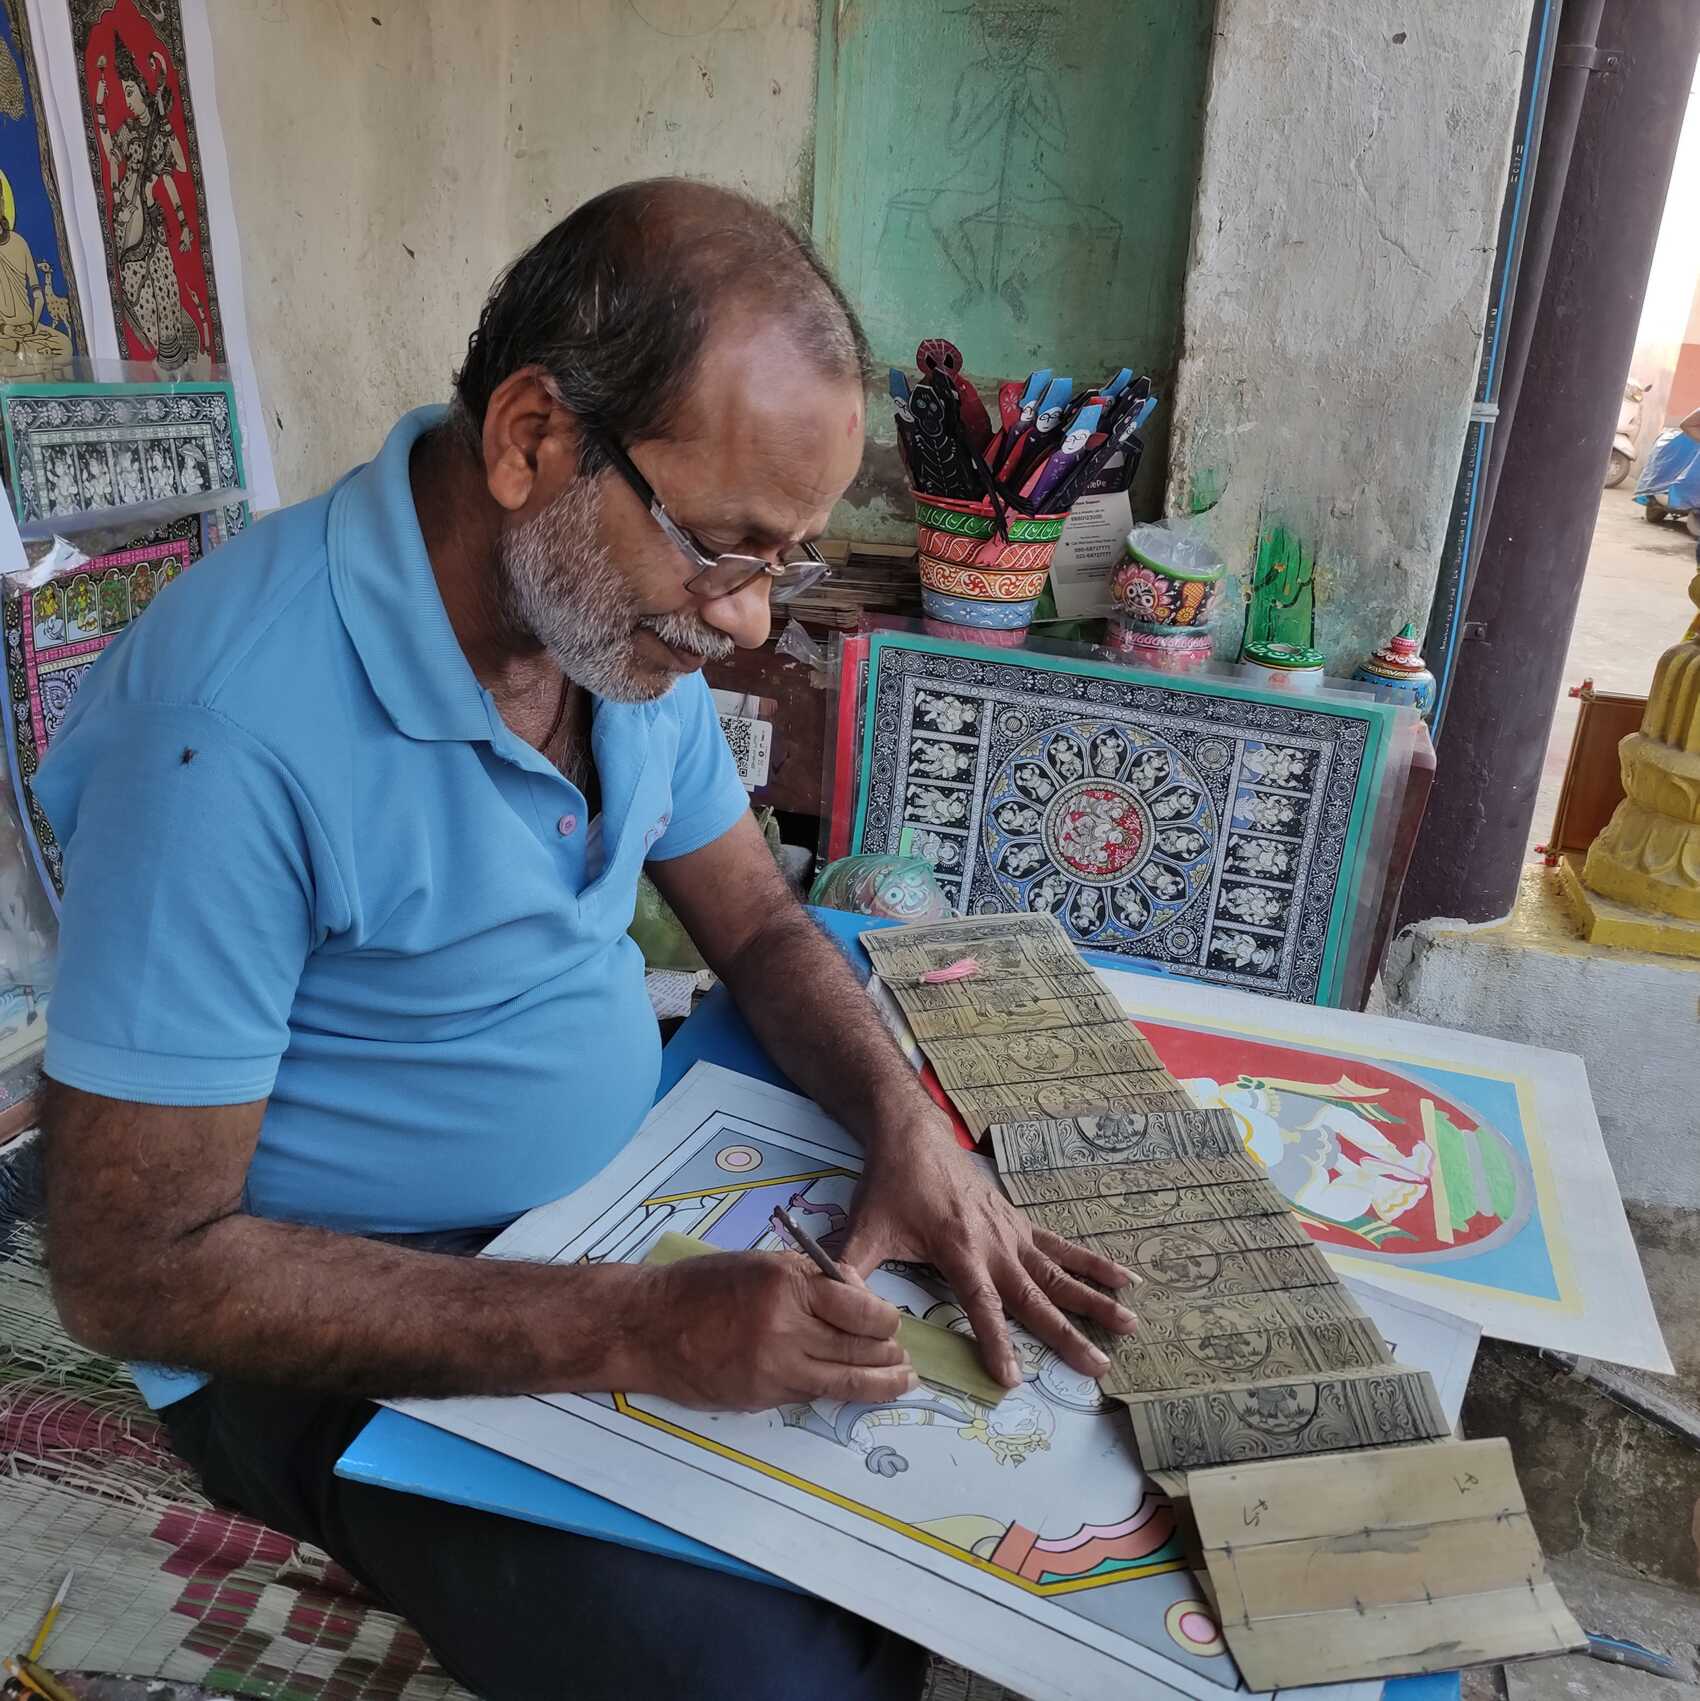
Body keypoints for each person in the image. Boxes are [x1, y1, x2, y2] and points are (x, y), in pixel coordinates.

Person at [36, 179, 1137, 1701]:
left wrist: (907, 1124)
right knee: (762, 1680)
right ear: (531, 439)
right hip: (337, 1307)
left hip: (621, 1195)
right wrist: (633, 1329)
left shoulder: (607, 633)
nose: (749, 622)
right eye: (725, 547)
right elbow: (129, 1272)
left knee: (992, 1451)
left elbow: (759, 924)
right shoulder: (224, 733)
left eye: (788, 560)